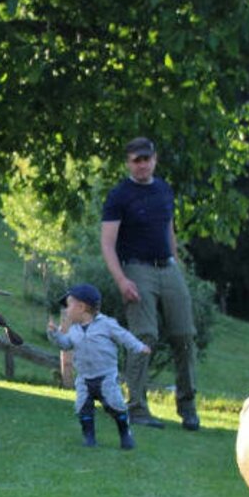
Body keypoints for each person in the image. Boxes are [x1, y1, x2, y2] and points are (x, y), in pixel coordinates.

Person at [100, 136, 200, 431]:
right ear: (129, 163)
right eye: (136, 160)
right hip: (136, 269)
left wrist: (177, 266)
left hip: (167, 267)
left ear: (154, 159)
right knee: (144, 336)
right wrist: (121, 280)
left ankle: (188, 407)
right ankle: (137, 408)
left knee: (185, 336)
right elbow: (107, 244)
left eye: (147, 159)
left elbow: (169, 231)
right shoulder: (119, 195)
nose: (142, 164)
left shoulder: (164, 190)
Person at [47, 283, 150, 450]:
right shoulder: (74, 330)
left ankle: (125, 434)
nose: (66, 310)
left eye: (69, 305)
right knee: (82, 407)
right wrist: (55, 334)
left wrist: (139, 347)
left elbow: (124, 337)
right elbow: (65, 344)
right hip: (84, 378)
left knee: (115, 405)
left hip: (106, 376)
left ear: (82, 307)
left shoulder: (107, 325)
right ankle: (89, 437)